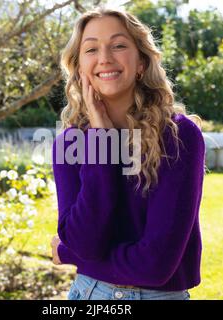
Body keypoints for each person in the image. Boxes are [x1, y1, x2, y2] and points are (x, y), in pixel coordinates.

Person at [50, 7, 205, 300]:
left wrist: (66, 252)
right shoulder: (69, 144)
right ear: (79, 66)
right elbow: (86, 241)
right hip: (88, 295)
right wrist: (101, 138)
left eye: (119, 45)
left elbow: (155, 265)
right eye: (91, 48)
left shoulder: (178, 136)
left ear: (141, 63)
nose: (105, 57)